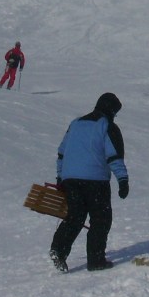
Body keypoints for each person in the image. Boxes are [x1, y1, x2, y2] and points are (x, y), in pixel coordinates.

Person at [50, 92, 129, 272]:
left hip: (71, 180)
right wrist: (123, 180)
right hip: (95, 181)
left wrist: (60, 177)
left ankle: (58, 250)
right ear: (111, 109)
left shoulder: (75, 123)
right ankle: (96, 260)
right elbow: (114, 156)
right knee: (101, 219)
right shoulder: (107, 126)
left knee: (75, 217)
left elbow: (62, 152)